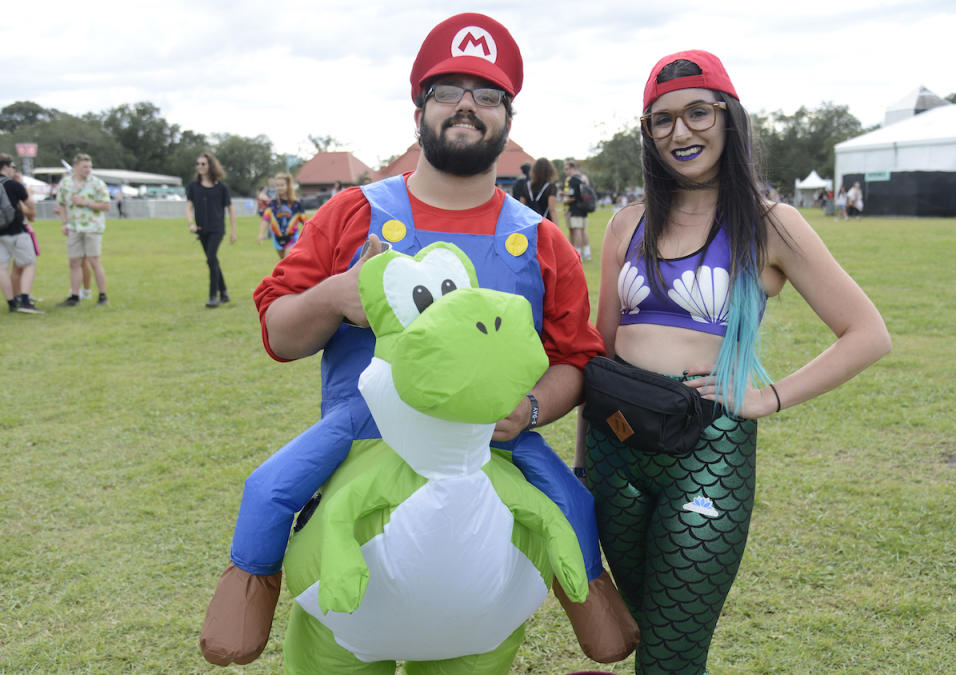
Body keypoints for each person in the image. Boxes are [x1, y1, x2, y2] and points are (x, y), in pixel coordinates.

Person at [200, 12, 638, 671]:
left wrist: (533, 407)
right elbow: (279, 331)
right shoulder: (351, 212)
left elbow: (577, 359)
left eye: (486, 94)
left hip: (486, 506)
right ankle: (249, 584)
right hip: (360, 474)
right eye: (447, 90)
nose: (466, 106)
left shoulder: (541, 241)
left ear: (507, 118)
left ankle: (590, 594)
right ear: (419, 111)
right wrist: (333, 296)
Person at [577, 49, 891, 674]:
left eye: (698, 112)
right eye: (661, 120)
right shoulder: (625, 225)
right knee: (645, 627)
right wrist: (585, 464)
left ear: (729, 119)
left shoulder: (774, 225)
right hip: (616, 450)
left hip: (709, 454)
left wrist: (769, 397)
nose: (680, 131)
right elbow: (600, 353)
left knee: (673, 655)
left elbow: (867, 333)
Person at [56, 153, 110, 307]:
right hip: (73, 227)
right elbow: (61, 204)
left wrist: (86, 203)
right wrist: (64, 223)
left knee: (93, 261)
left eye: (89, 167)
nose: (88, 169)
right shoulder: (65, 184)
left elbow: (106, 205)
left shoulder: (97, 183)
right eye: (84, 167)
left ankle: (102, 295)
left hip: (92, 227)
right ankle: (75, 296)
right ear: (75, 167)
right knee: (74, 261)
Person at [186, 152, 236, 308]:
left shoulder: (221, 188)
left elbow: (230, 209)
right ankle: (225, 292)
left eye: (203, 164)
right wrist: (191, 223)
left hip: (217, 229)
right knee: (212, 260)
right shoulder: (193, 186)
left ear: (210, 166)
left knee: (211, 257)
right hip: (201, 229)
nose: (200, 167)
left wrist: (233, 230)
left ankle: (213, 296)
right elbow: (189, 207)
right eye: (198, 164)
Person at [1, 154, 42, 313]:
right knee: (29, 264)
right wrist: (24, 189)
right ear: (5, 166)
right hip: (16, 231)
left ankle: (12, 303)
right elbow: (30, 205)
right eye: (12, 167)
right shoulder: (12, 184)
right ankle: (25, 301)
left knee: (2, 268)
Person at [258, 172, 307, 259]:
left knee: (287, 261)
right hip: (277, 239)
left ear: (288, 186)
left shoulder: (296, 204)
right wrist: (261, 234)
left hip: (292, 238)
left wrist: (308, 237)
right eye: (277, 185)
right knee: (283, 263)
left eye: (282, 185)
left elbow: (305, 222)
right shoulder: (272, 204)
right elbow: (266, 219)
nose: (279, 187)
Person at [563, 160, 592, 261]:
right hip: (584, 208)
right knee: (583, 230)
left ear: (572, 168)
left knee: (577, 231)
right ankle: (587, 253)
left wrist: (564, 199)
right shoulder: (582, 179)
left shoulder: (573, 180)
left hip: (575, 209)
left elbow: (572, 196)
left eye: (567, 169)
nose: (565, 171)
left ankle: (578, 253)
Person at [526, 156, 559, 222]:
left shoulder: (527, 186)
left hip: (530, 222)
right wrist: (557, 229)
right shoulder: (551, 187)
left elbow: (522, 206)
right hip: (545, 222)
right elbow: (552, 209)